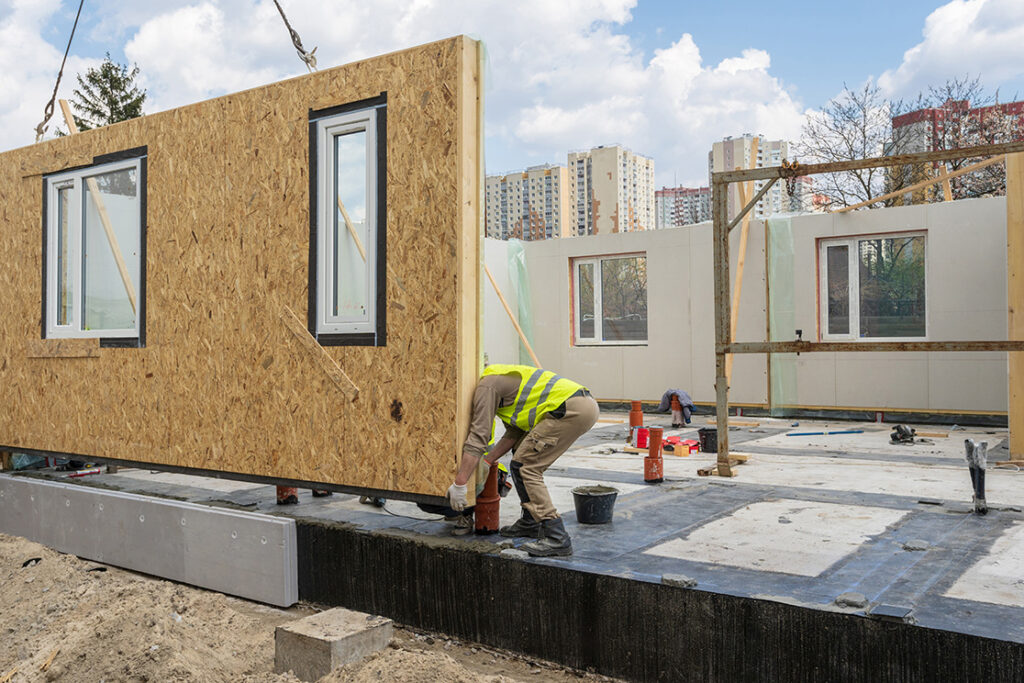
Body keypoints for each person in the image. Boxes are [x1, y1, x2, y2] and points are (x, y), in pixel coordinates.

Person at [446, 364, 599, 557]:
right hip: (579, 405)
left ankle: (556, 536)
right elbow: (514, 432)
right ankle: (531, 522)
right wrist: (487, 462)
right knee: (520, 460)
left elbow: (479, 436)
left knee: (526, 466)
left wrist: (460, 483)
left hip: (569, 409)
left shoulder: (487, 386)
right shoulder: (501, 380)